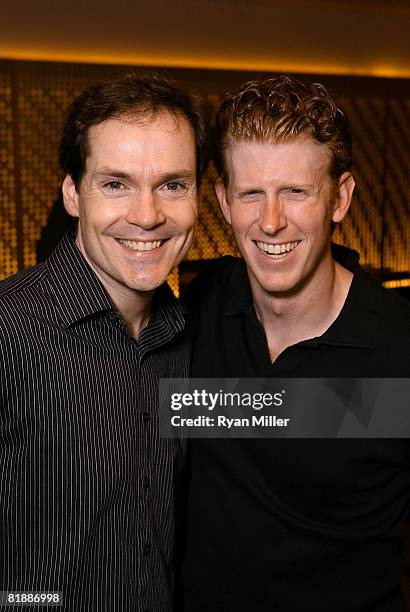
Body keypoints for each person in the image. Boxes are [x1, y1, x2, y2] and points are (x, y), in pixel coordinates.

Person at [181, 75, 410, 611]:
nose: (271, 221)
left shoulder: (400, 348)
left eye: (295, 192)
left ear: (340, 197)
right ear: (222, 200)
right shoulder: (197, 311)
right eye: (251, 194)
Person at [0, 72, 209, 611]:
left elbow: (291, 416)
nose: (147, 215)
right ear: (72, 193)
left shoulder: (185, 335)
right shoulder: (8, 332)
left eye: (172, 184)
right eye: (116, 183)